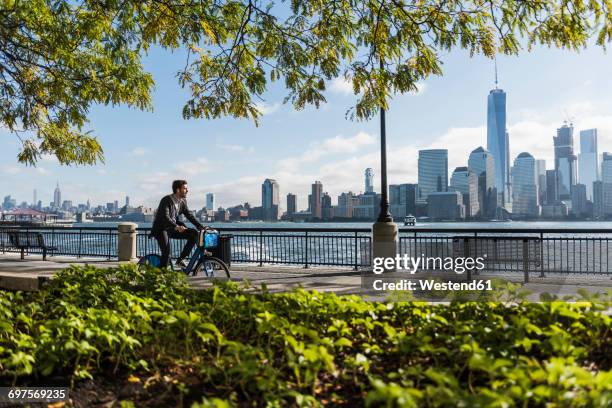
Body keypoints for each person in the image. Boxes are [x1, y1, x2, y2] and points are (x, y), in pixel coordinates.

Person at [151, 180, 205, 268]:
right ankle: (161, 275)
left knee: (194, 233)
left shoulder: (182, 201)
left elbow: (189, 215)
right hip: (161, 229)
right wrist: (176, 226)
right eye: (185, 188)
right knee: (167, 254)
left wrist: (200, 226)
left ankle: (181, 259)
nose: (187, 190)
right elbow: (165, 217)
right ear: (178, 190)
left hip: (172, 229)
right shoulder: (166, 200)